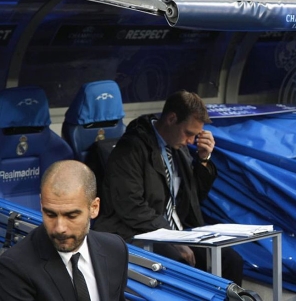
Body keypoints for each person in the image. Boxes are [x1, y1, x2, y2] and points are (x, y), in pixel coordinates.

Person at [93, 89, 243, 285]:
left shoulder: (179, 149)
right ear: (171, 119)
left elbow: (193, 198)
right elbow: (130, 206)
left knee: (232, 260)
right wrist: (172, 238)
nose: (191, 141)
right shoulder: (131, 148)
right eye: (189, 133)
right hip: (135, 231)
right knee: (180, 265)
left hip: (175, 230)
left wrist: (204, 160)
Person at [0, 160, 129, 301]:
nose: (60, 228)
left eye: (71, 216)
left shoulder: (115, 249)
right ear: (41, 204)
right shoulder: (14, 267)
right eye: (50, 214)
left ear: (94, 207)